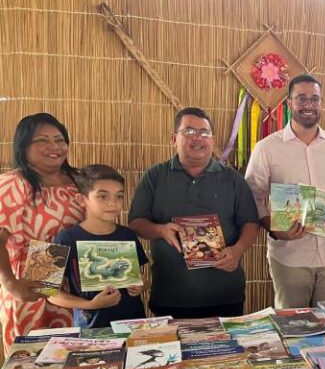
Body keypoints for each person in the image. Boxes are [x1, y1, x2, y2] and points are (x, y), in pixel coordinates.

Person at [128, 107, 259, 318]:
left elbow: (251, 223)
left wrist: (238, 250)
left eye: (204, 133)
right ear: (174, 138)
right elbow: (136, 222)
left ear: (212, 140)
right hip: (171, 295)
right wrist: (160, 230)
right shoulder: (155, 176)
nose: (198, 138)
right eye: (189, 132)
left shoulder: (233, 179)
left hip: (225, 294)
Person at [245, 74, 325, 309]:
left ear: (321, 103)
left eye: (315, 99)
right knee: (292, 326)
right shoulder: (267, 148)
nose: (309, 105)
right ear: (289, 103)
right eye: (301, 98)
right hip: (289, 256)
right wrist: (275, 229)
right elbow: (252, 196)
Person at [0, 113, 85, 354]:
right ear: (23, 146)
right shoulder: (11, 184)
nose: (54, 147)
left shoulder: (81, 181)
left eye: (59, 140)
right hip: (32, 282)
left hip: (78, 282)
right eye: (42, 141)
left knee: (79, 357)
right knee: (32, 362)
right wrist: (10, 283)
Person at [48, 165, 147, 328]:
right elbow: (46, 292)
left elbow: (143, 279)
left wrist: (140, 286)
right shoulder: (63, 238)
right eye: (102, 196)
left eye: (119, 196)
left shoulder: (128, 235)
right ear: (82, 199)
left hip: (134, 325)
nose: (113, 204)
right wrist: (91, 305)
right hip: (91, 331)